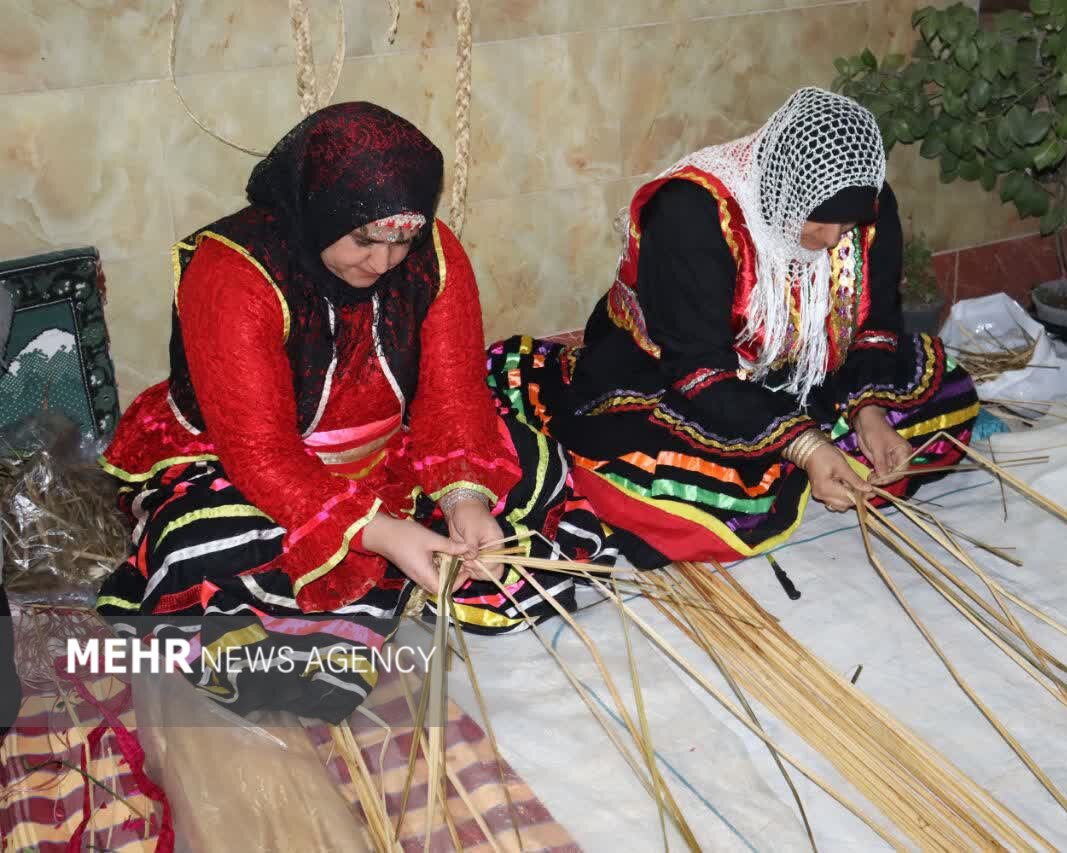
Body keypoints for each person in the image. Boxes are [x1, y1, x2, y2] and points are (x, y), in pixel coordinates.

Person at [96, 102, 609, 723]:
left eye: (403, 241)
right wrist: (385, 532)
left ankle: (413, 552)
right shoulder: (233, 274)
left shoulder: (434, 255)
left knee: (536, 468)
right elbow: (261, 454)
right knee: (199, 547)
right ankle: (382, 561)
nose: (385, 263)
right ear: (320, 210)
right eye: (365, 239)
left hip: (389, 450)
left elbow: (452, 395)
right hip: (250, 465)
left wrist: (462, 500)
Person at [489, 88, 979, 569]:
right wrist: (805, 444)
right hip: (678, 373)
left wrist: (869, 411)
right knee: (675, 487)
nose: (832, 241)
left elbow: (874, 325)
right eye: (820, 222)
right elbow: (698, 366)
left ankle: (811, 456)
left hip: (805, 367)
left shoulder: (864, 207)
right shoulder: (692, 212)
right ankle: (805, 460)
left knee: (947, 395)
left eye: (846, 227)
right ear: (784, 188)